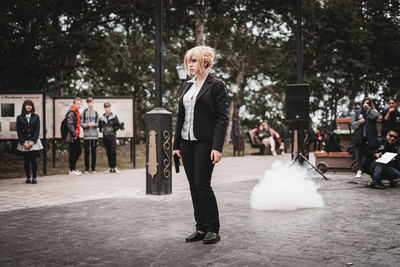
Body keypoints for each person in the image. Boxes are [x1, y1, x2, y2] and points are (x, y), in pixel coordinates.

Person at [173, 46, 229, 245]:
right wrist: (176, 144)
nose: (190, 65)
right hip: (186, 142)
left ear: (205, 62)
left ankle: (213, 229)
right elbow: (181, 116)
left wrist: (217, 147)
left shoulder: (216, 85)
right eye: (188, 61)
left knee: (202, 185)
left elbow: (222, 118)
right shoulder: (186, 86)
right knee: (193, 187)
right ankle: (201, 227)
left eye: (194, 61)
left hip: (206, 142)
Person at [351, 97, 379, 178]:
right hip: (360, 137)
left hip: (371, 138)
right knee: (359, 154)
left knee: (371, 154)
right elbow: (353, 125)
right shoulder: (357, 112)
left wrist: (369, 109)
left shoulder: (373, 112)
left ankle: (371, 171)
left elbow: (374, 117)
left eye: (368, 103)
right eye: (365, 103)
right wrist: (359, 122)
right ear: (362, 103)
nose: (366, 104)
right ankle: (359, 170)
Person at [16, 99, 43, 184]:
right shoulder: (19, 117)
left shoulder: (36, 117)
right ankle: (28, 177)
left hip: (33, 142)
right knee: (26, 160)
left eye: (30, 105)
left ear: (32, 107)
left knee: (33, 160)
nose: (29, 106)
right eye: (27, 105)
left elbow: (37, 130)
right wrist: (23, 143)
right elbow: (19, 131)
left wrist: (33, 142)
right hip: (24, 142)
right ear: (24, 106)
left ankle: (34, 177)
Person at [99, 102, 124, 174]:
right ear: (104, 108)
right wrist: (103, 129)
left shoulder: (114, 116)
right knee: (108, 152)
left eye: (109, 107)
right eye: (106, 108)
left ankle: (114, 167)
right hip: (105, 137)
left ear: (110, 108)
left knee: (113, 152)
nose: (108, 109)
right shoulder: (101, 118)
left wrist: (112, 129)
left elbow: (118, 125)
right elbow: (100, 128)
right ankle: (110, 167)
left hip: (112, 137)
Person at [81, 97, 99, 173]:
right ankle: (87, 169)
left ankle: (93, 168)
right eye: (89, 103)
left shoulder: (96, 112)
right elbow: (81, 123)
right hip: (87, 136)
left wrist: (94, 124)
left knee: (94, 152)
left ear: (93, 103)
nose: (90, 104)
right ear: (87, 103)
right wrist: (87, 124)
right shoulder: (84, 113)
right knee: (86, 152)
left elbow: (98, 123)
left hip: (94, 136)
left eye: (92, 102)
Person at [66, 97, 83, 175]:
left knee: (77, 152)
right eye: (78, 104)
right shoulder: (71, 112)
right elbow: (70, 124)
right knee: (74, 152)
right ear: (74, 104)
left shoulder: (76, 111)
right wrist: (75, 134)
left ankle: (73, 168)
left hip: (76, 134)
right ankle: (71, 170)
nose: (79, 105)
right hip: (73, 136)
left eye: (80, 104)